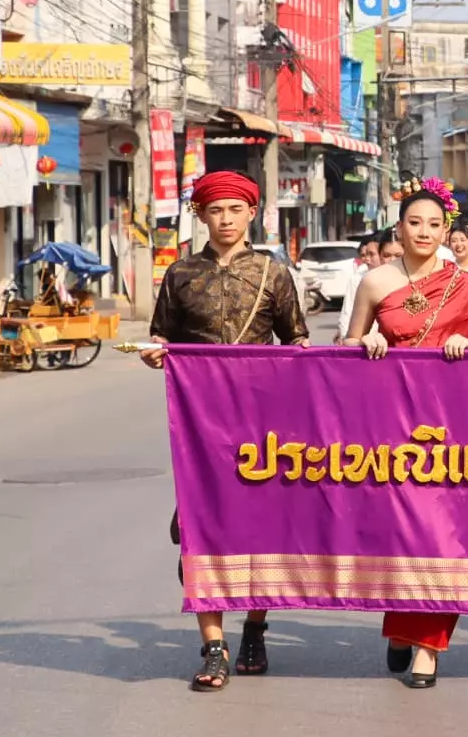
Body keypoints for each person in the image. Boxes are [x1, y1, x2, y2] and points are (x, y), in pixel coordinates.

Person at [141, 171, 308, 692]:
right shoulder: (180, 275)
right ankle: (214, 646)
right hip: (200, 425)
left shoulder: (272, 272)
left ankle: (255, 628)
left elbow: (296, 340)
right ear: (202, 216)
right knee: (200, 532)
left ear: (251, 213)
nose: (227, 219)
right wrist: (153, 352)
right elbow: (159, 334)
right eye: (216, 210)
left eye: (236, 210)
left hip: (262, 425)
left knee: (261, 531)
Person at [341, 187, 468, 689]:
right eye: (414, 222)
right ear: (399, 228)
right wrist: (367, 341)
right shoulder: (374, 281)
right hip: (389, 424)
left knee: (443, 534)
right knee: (400, 531)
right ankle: (400, 627)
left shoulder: (464, 284)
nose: (424, 232)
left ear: (445, 231)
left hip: (452, 424)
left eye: (433, 224)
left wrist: (467, 342)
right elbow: (345, 345)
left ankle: (428, 647)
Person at [334, 237, 382, 344]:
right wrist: (345, 336)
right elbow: (347, 311)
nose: (367, 259)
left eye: (371, 254)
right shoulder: (358, 278)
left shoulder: (400, 279)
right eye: (364, 255)